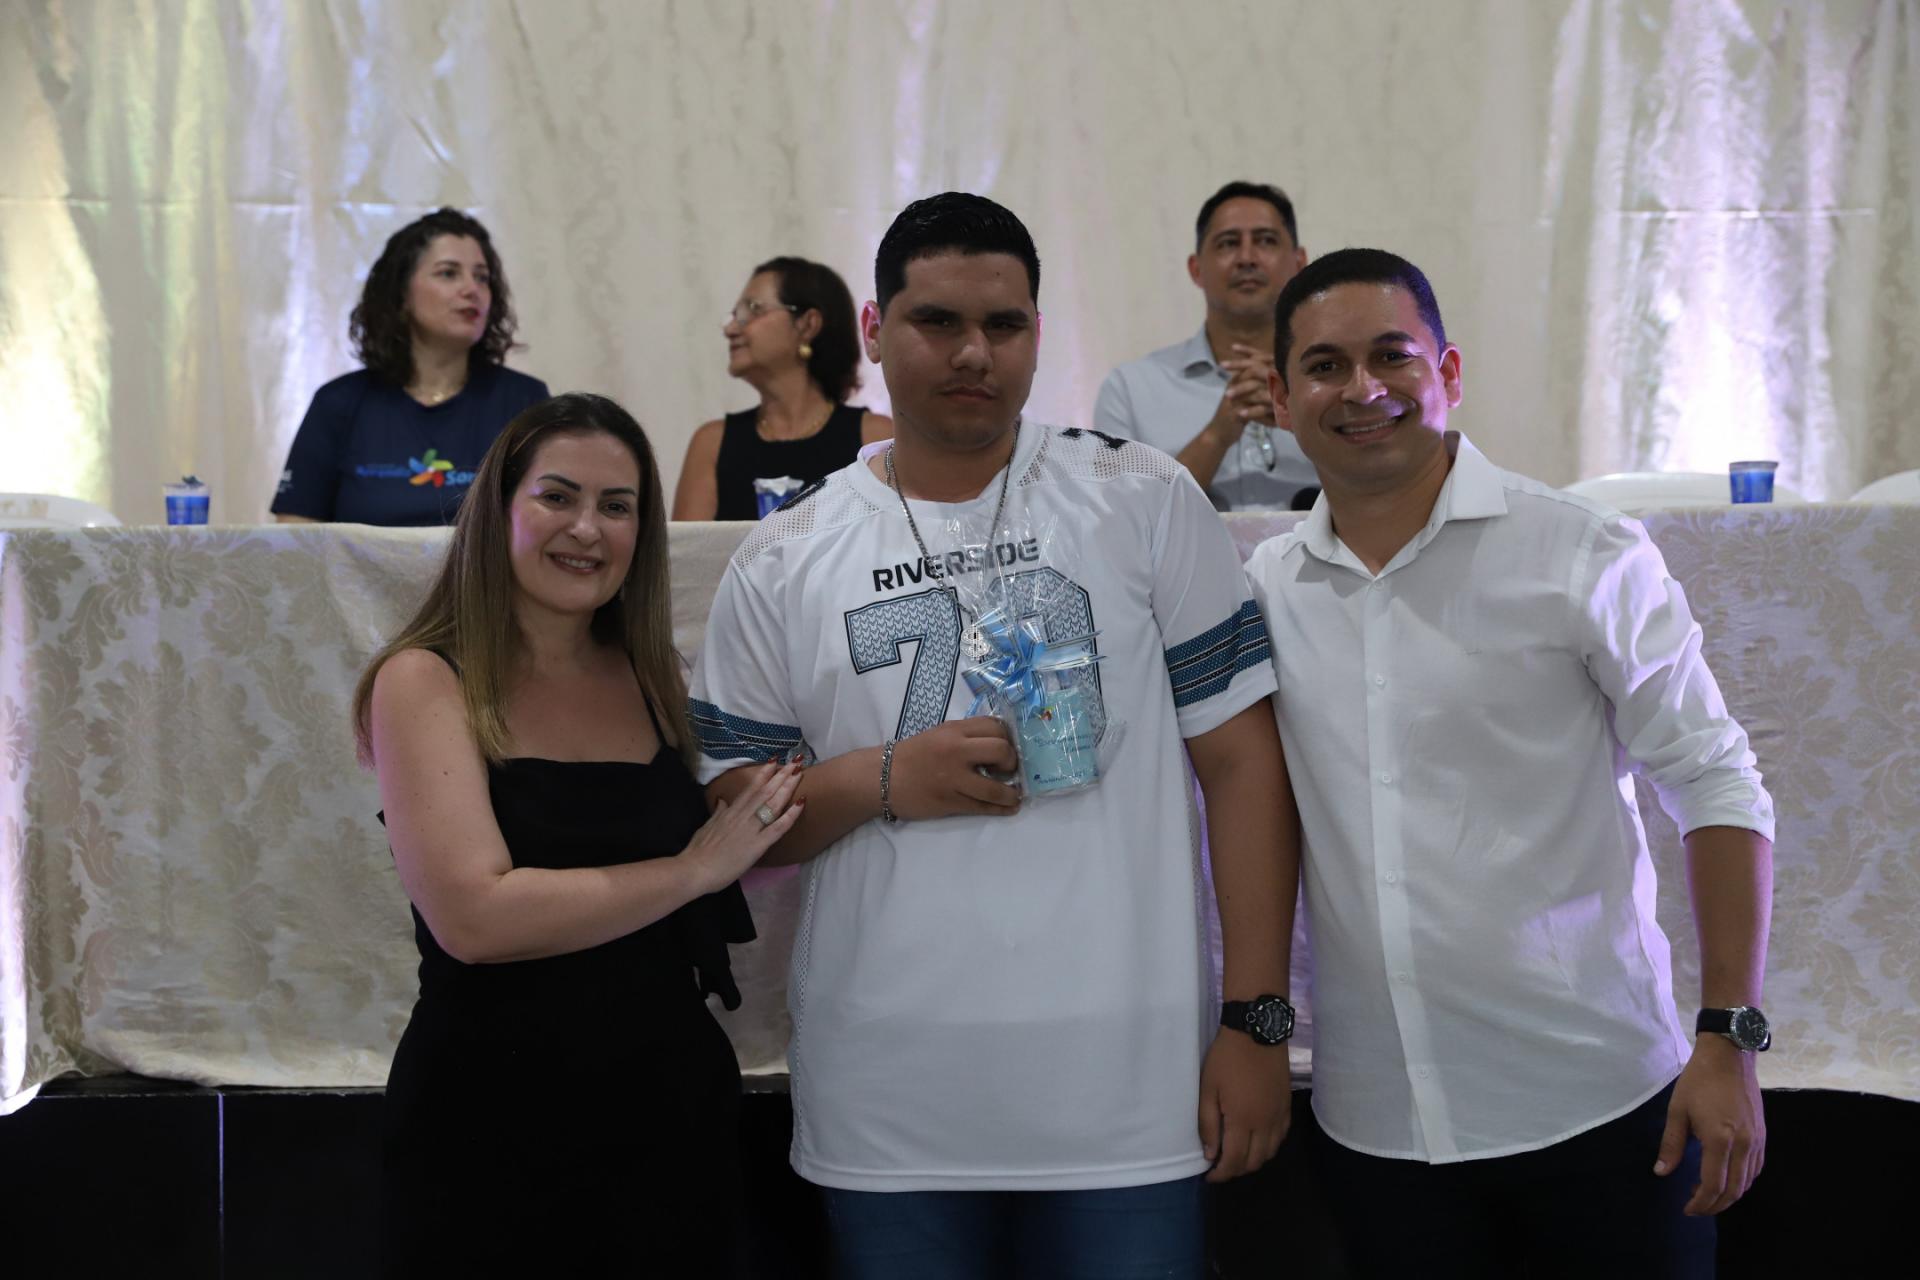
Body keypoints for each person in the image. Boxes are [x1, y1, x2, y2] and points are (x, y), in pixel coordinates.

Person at [690, 193, 1300, 1278]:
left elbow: (1243, 763)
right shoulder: (786, 551)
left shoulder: (1141, 496)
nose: (973, 352)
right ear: (874, 329)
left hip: (1126, 1080)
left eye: (1004, 324)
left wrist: (1256, 1019)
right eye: (936, 321)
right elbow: (734, 818)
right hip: (889, 1088)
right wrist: (883, 778)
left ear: (1038, 332)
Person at [1243, 248, 1775, 1278]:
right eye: (1324, 365)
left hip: (1599, 1104)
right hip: (1380, 1125)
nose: (1361, 389)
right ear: (1280, 396)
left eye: (1392, 356)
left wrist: (1729, 1034)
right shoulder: (1268, 587)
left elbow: (1716, 779)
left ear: (1447, 372)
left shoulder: (1579, 552)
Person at [352, 392, 801, 1275]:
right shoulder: (424, 679)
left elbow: (749, 835)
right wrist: (690, 872)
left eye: (617, 506)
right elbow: (475, 919)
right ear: (499, 509)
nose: (587, 529)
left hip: (670, 1115)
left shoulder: (656, 674)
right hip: (488, 1124)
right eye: (558, 496)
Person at [273, 208, 549, 526]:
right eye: (448, 273)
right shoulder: (338, 404)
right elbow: (296, 534)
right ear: (402, 294)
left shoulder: (524, 402)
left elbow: (547, 524)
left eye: (482, 277)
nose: (471, 289)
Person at [1094, 181, 1317, 510]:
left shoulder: (1335, 382)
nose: (1246, 258)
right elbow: (1120, 517)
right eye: (1228, 244)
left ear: (1299, 263)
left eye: (1266, 241)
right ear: (1196, 269)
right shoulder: (1130, 389)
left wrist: (1303, 418)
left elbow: (1379, 490)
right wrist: (1216, 435)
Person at [672, 256, 892, 520]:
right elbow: (691, 546)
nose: (730, 329)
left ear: (807, 325)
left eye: (753, 309)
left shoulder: (874, 438)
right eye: (735, 315)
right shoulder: (711, 444)